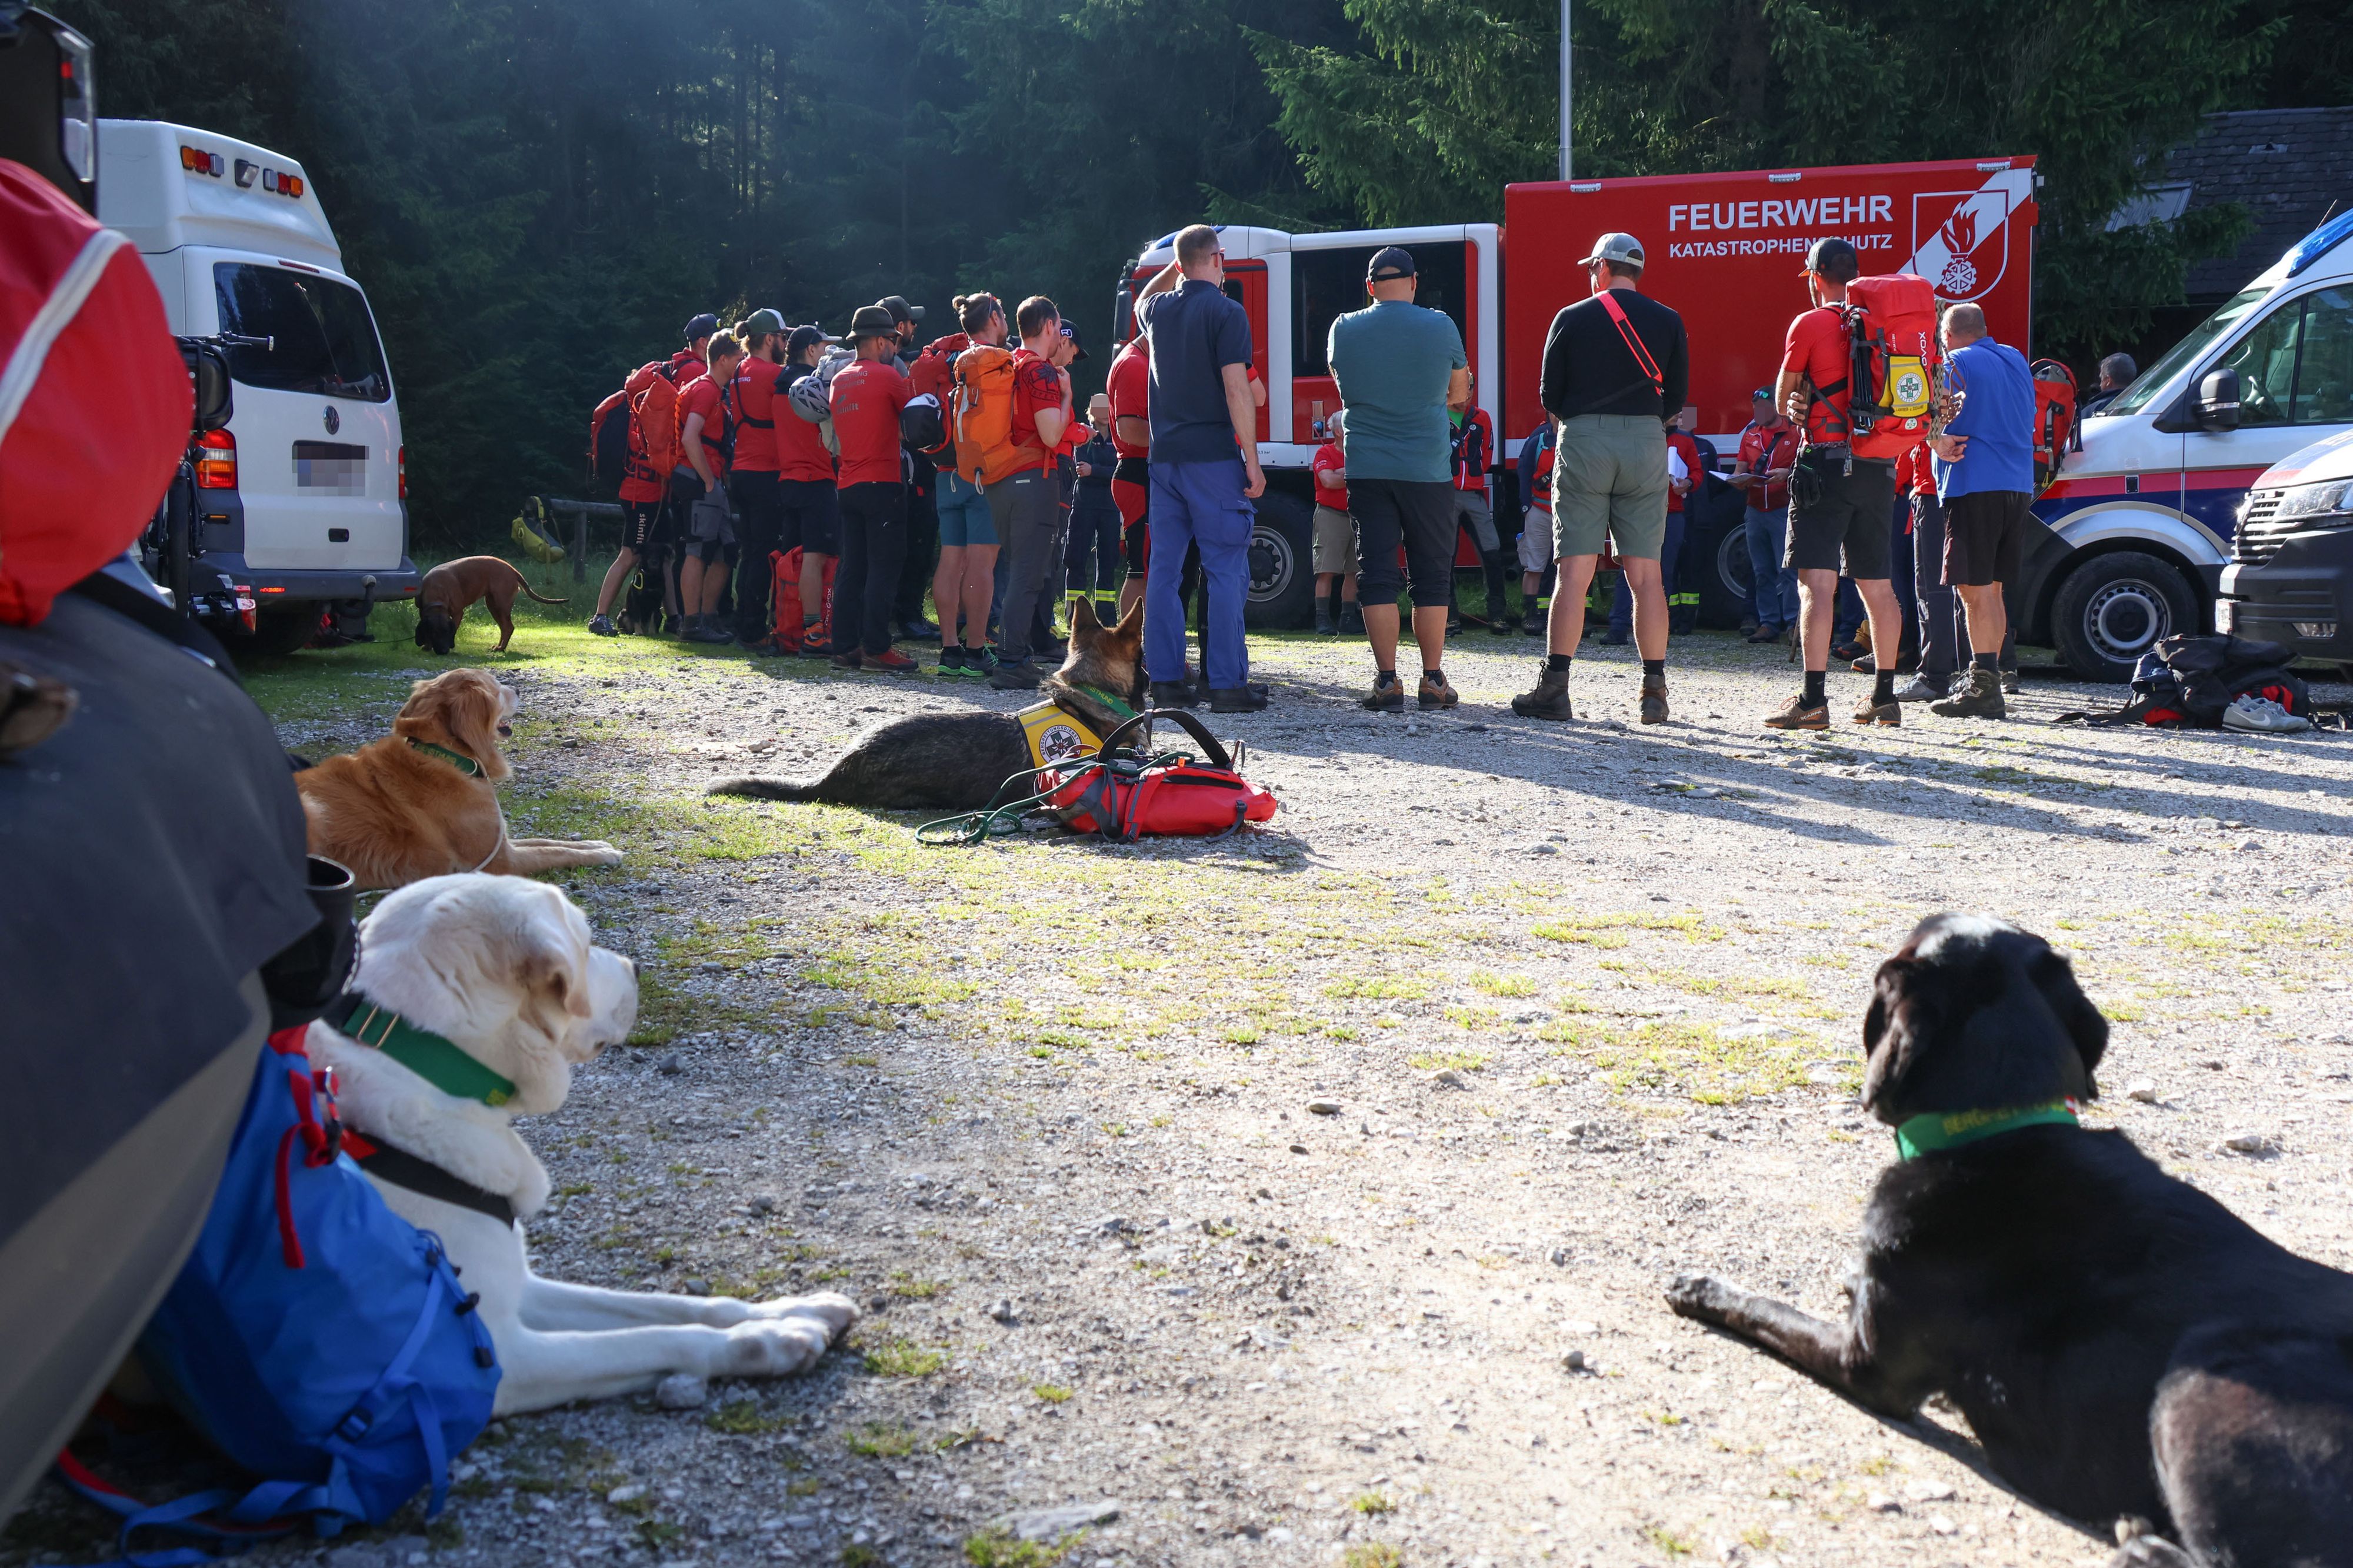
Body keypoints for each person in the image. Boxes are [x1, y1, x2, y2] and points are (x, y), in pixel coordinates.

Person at [1512, 232, 1689, 726]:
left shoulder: (1571, 317)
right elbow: (1676, 396)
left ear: (1603, 268)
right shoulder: (1669, 320)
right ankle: (1653, 690)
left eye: (1592, 268)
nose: (1591, 276)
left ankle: (1555, 689)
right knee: (1647, 575)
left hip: (1585, 441)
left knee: (1574, 573)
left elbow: (1550, 393)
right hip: (1647, 442)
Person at [1762, 236, 1908, 730]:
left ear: (1815, 277)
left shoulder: (1810, 322)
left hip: (1826, 464)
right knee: (1878, 587)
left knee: (1816, 586)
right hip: (1879, 467)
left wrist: (1804, 392)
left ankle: (1812, 699)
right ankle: (1884, 697)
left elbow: (1783, 400)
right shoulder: (1884, 323)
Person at [1327, 245, 1471, 710]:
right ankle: (1433, 679)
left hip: (1368, 467)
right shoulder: (1441, 325)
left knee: (1376, 573)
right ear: (1413, 282)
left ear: (1370, 286)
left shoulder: (1343, 328)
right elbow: (1459, 393)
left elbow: (1344, 387)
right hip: (1427, 468)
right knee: (1431, 574)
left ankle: (1387, 681)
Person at [1131, 222, 1265, 713]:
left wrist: (1177, 265)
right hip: (1213, 458)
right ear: (1219, 259)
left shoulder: (1159, 311)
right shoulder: (1228, 312)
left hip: (1164, 460)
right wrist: (1252, 460)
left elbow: (1142, 298)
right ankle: (1227, 685)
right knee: (1225, 569)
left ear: (1181, 264)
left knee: (1165, 572)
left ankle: (1166, 681)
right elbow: (1236, 388)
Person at [1925, 302, 2035, 720]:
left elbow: (1932, 411)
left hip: (1974, 483)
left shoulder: (1952, 362)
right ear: (1984, 329)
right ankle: (1992, 679)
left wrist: (1935, 439)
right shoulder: (2016, 359)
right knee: (1993, 590)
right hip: (2017, 485)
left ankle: (1983, 687)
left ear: (1947, 335)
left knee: (1972, 591)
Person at [983, 296, 1073, 689]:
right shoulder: (1040, 370)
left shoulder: (1010, 363)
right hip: (1032, 479)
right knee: (1028, 575)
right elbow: (1051, 434)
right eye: (1059, 327)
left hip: (1000, 480)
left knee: (1018, 570)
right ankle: (1011, 660)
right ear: (1050, 326)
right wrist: (1067, 396)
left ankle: (1013, 656)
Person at [827, 305, 918, 672]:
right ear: (881, 341)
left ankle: (844, 647)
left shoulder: (839, 380)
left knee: (852, 567)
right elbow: (913, 424)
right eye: (893, 341)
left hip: (848, 484)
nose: (895, 347)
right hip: (882, 483)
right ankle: (877, 648)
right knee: (885, 565)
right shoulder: (888, 377)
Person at [930, 294, 1002, 676]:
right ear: (994, 318)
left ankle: (949, 651)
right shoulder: (995, 361)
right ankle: (976, 651)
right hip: (981, 475)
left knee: (951, 559)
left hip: (945, 472)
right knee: (981, 563)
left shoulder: (946, 358)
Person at [771, 323, 844, 655]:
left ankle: (786, 628)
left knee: (790, 560)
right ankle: (815, 631)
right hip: (816, 480)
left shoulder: (778, 386)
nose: (827, 353)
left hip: (788, 480)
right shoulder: (814, 387)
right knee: (815, 558)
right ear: (811, 350)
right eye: (824, 347)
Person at [1605, 406, 1702, 645]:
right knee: (1628, 570)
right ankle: (1618, 627)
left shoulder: (1685, 441)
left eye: (1678, 412)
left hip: (1672, 515)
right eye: (1672, 411)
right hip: (1638, 514)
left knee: (1663, 573)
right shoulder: (1637, 438)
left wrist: (1689, 483)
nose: (1678, 415)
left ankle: (1657, 630)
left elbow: (1697, 473)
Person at [727, 309, 791, 652]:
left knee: (750, 551)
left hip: (740, 471)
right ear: (769, 339)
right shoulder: (774, 374)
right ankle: (753, 630)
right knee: (764, 553)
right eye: (782, 337)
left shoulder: (738, 371)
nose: (785, 344)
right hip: (766, 472)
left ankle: (742, 622)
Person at [877, 295, 940, 643]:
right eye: (911, 322)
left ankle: (904, 612)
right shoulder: (898, 370)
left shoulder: (893, 365)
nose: (915, 326)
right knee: (916, 542)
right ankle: (908, 616)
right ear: (899, 327)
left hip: (894, 470)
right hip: (910, 469)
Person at [675, 330, 742, 643]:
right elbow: (690, 437)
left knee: (727, 550)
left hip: (709, 479)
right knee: (698, 549)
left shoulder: (714, 390)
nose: (741, 362)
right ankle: (691, 624)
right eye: (738, 357)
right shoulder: (704, 390)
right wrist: (708, 481)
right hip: (698, 479)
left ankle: (709, 617)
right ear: (723, 359)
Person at [1729, 386, 1798, 643]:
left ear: (1776, 408)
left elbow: (1807, 466)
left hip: (1783, 510)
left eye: (1764, 407)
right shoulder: (1750, 435)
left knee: (1788, 570)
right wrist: (1736, 480)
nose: (1759, 411)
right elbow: (1739, 469)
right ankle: (1768, 623)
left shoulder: (1795, 433)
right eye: (1756, 407)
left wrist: (1787, 474)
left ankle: (1793, 624)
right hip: (1756, 510)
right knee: (1761, 571)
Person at [1448, 382, 1513, 636]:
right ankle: (1449, 618)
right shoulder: (1437, 415)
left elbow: (1487, 453)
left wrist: (1474, 479)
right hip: (1446, 494)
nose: (1465, 396)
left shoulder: (1482, 417)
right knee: (1445, 557)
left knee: (1491, 552)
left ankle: (1497, 615)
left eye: (1469, 390)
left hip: (1474, 494)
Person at [1106, 329, 1153, 621]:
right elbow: (1130, 430)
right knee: (1141, 569)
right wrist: (1179, 438)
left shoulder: (1139, 359)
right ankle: (1133, 644)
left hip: (1140, 472)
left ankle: (1143, 642)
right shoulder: (1134, 364)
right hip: (1136, 473)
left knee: (1147, 567)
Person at [1067, 393, 1122, 626]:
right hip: (1084, 505)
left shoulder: (1119, 436)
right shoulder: (1084, 434)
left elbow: (1120, 467)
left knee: (1108, 561)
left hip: (1110, 506)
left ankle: (1106, 618)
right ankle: (1074, 617)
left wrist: (1096, 470)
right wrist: (1103, 470)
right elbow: (1081, 468)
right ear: (1091, 411)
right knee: (1076, 559)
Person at [1311, 409, 1358, 634]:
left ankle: (1348, 618)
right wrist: (1352, 473)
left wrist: (1341, 472)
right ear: (1339, 431)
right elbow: (1328, 481)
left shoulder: (1358, 454)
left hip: (1355, 516)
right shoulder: (1324, 453)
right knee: (1326, 570)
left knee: (1354, 571)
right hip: (1330, 515)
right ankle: (1322, 618)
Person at [1515, 421, 1557, 636]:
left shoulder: (1581, 438)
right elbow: (1524, 472)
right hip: (1539, 509)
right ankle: (1531, 614)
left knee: (1574, 566)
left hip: (1571, 512)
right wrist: (1526, 507)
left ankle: (1579, 616)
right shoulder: (1538, 440)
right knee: (1534, 566)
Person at [2081, 351, 2137, 417]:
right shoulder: (2141, 405)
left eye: (2101, 379)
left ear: (2108, 381)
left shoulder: (2093, 410)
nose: (2100, 385)